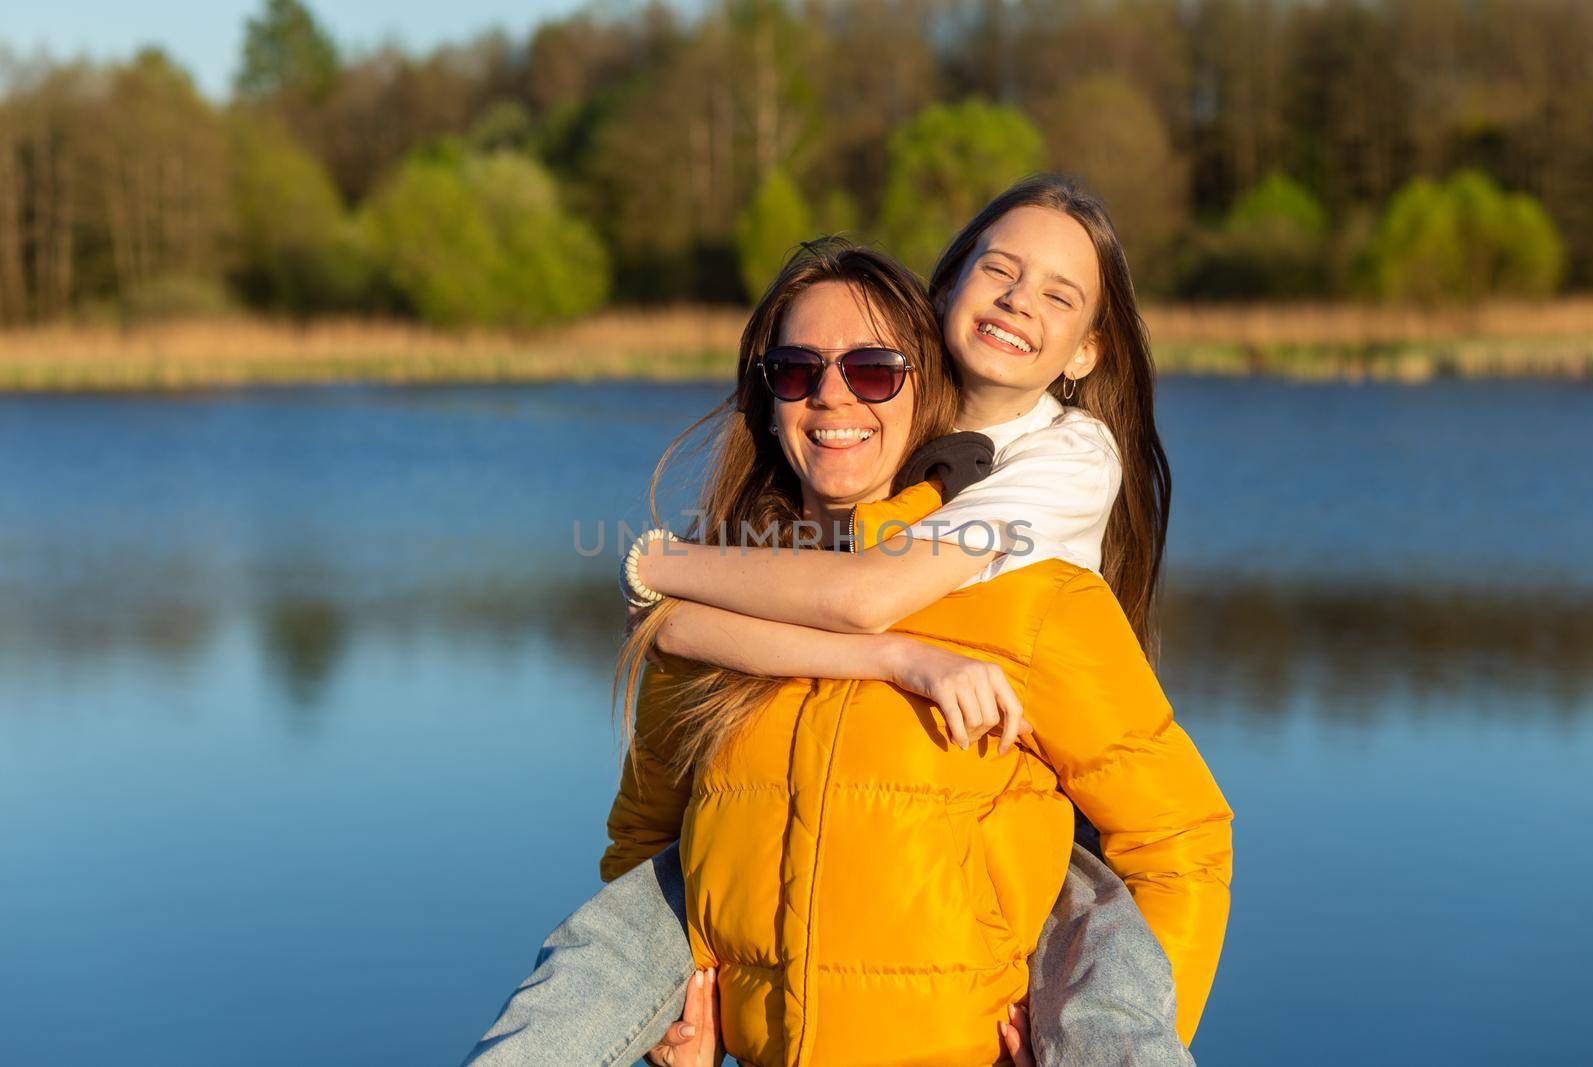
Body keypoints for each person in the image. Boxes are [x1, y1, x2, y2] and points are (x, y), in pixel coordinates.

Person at [464, 179, 1230, 1064]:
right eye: (796, 371)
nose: (832, 397)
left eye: (873, 369)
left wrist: (1074, 1040)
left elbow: (1182, 845)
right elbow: (645, 844)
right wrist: (673, 1038)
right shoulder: (737, 584)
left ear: (924, 377)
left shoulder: (1036, 581)